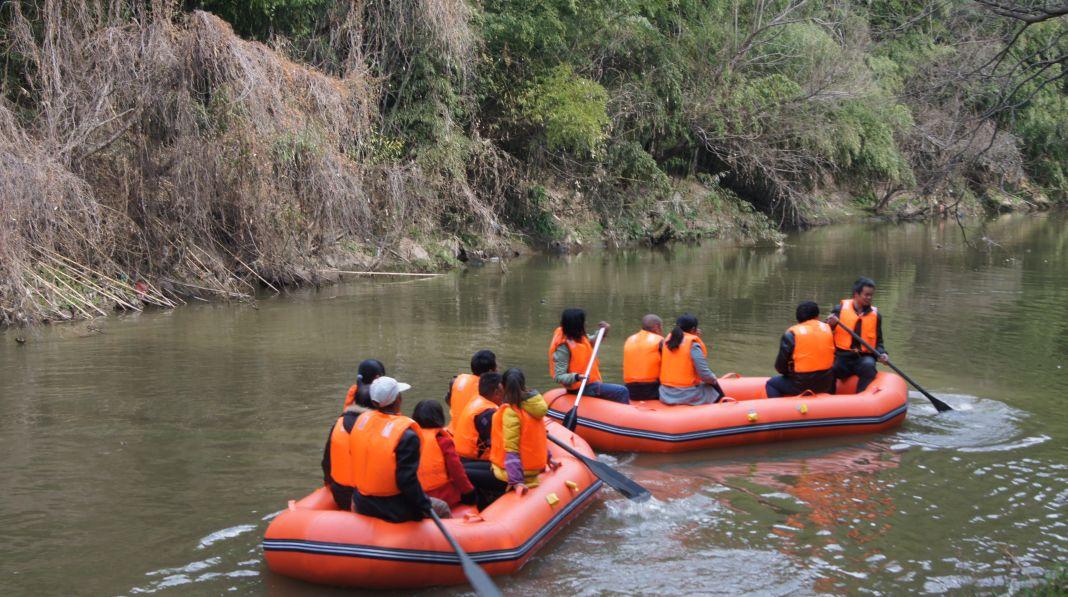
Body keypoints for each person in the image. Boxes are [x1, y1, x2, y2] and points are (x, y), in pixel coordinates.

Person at [348, 377, 450, 522]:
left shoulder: (361, 421)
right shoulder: (407, 435)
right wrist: (424, 504)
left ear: (374, 402)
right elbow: (406, 480)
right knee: (442, 507)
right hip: (392, 507)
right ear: (398, 400)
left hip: (362, 500)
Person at [491, 368, 560, 493]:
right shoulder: (533, 407)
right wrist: (548, 458)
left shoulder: (511, 412)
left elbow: (511, 449)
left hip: (516, 473)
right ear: (523, 384)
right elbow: (535, 438)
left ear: (503, 386)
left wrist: (517, 482)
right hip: (534, 469)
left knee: (470, 470)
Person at [548, 308, 630, 404]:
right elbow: (559, 376)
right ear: (577, 324)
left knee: (622, 389)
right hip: (580, 387)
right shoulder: (563, 347)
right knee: (621, 391)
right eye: (583, 321)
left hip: (590, 384)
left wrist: (603, 331)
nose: (586, 323)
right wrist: (577, 377)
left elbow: (593, 341)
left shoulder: (579, 337)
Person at [455, 372, 509, 509]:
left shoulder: (476, 401)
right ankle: (483, 503)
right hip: (474, 460)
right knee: (464, 472)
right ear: (497, 392)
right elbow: (499, 445)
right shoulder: (488, 413)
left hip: (466, 458)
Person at [411, 401, 476, 509]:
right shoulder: (443, 441)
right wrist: (469, 492)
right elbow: (457, 471)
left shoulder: (409, 439)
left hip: (416, 496)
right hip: (442, 496)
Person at [827, 277, 888, 393]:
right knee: (829, 367)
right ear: (856, 294)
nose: (869, 298)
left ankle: (862, 397)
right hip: (842, 357)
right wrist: (830, 324)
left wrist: (882, 353)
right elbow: (826, 332)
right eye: (866, 295)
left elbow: (879, 342)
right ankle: (828, 398)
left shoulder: (876, 316)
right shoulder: (839, 310)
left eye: (871, 295)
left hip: (863, 358)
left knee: (869, 365)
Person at [766, 301, 836, 397]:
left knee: (771, 384)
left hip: (801, 385)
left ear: (798, 318)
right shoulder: (828, 329)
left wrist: (789, 374)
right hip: (826, 384)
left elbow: (780, 368)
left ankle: (779, 406)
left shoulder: (791, 335)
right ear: (817, 316)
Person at [659, 314, 721, 405]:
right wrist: (714, 379)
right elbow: (704, 375)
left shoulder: (666, 341)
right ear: (693, 329)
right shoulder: (693, 345)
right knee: (715, 390)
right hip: (685, 394)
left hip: (665, 393)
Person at [320, 399, 370, 510]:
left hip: (341, 494)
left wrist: (328, 483)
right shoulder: (376, 428)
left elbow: (326, 462)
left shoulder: (338, 425)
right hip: (368, 499)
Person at [446, 350, 497, 429]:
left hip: (451, 431)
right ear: (490, 371)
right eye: (496, 366)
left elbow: (448, 400)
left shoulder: (455, 381)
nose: (497, 369)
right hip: (471, 434)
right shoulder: (490, 390)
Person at [623, 314, 664, 400]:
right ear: (656, 327)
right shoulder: (659, 340)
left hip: (630, 389)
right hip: (651, 389)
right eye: (661, 327)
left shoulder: (630, 339)